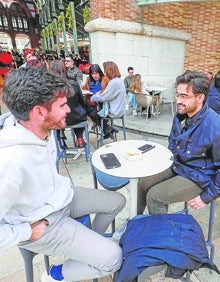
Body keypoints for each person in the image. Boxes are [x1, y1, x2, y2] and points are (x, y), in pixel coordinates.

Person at [0, 67, 126, 281]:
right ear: (39, 112)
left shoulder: (41, 132)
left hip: (61, 198)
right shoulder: (10, 161)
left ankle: (89, 246)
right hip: (44, 222)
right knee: (114, 258)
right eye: (62, 105)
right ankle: (55, 274)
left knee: (117, 201)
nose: (69, 109)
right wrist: (25, 233)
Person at [137, 70, 220, 215]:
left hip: (198, 175)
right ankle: (135, 222)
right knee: (142, 183)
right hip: (178, 164)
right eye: (178, 95)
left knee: (155, 196)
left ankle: (158, 236)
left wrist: (205, 198)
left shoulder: (215, 126)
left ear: (200, 97)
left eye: (184, 96)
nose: (178, 100)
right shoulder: (181, 115)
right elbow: (172, 144)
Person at [49, 60, 87, 147]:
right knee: (80, 111)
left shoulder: (49, 87)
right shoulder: (73, 84)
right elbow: (82, 101)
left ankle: (61, 139)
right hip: (76, 117)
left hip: (59, 120)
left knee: (54, 114)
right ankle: (80, 138)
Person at [91, 61, 127, 139]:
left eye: (105, 70)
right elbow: (108, 94)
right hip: (120, 110)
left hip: (114, 112)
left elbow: (103, 98)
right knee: (96, 111)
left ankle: (107, 129)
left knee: (92, 113)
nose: (104, 72)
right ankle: (108, 129)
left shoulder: (114, 82)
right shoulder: (119, 80)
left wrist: (92, 97)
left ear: (108, 71)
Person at [82, 64, 109, 130]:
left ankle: (101, 125)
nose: (94, 76)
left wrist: (100, 92)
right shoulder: (89, 79)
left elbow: (108, 91)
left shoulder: (105, 79)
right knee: (82, 110)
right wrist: (86, 92)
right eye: (92, 74)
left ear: (100, 73)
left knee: (92, 113)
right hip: (90, 101)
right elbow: (84, 88)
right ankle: (107, 129)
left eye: (96, 74)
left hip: (101, 102)